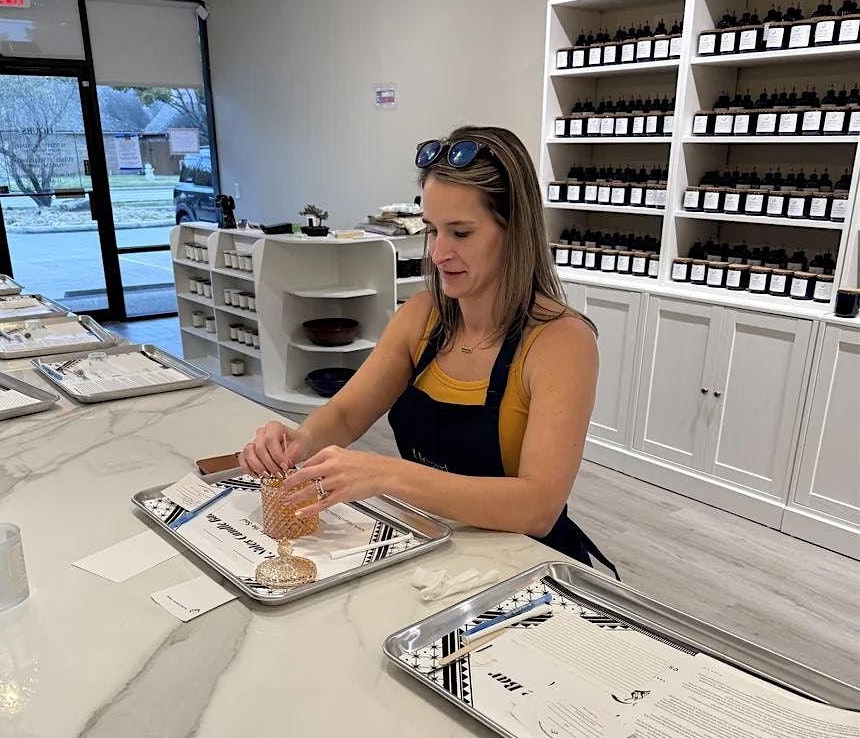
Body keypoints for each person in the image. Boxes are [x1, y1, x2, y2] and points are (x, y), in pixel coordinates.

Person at [239, 124, 616, 575]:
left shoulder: (561, 342)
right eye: (433, 230)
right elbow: (346, 414)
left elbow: (538, 508)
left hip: (526, 565)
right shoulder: (422, 316)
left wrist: (385, 474)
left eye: (461, 233)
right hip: (434, 546)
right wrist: (298, 441)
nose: (438, 254)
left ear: (515, 231)